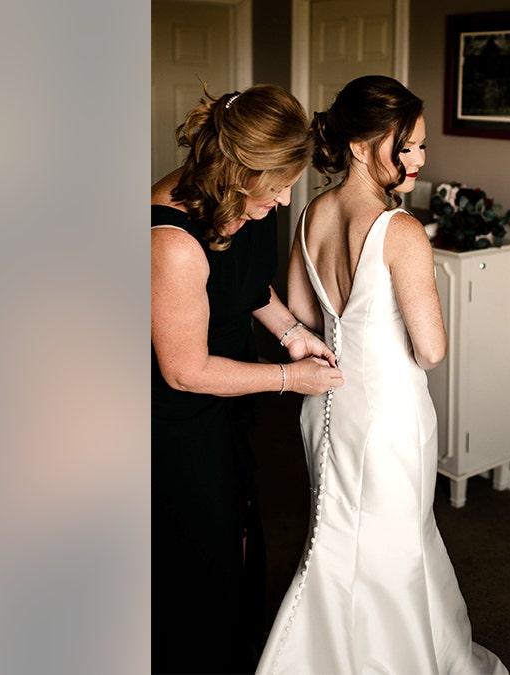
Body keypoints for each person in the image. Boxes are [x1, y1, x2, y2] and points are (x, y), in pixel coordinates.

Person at [256, 75, 508, 674]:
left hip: (327, 410)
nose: (419, 159)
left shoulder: (314, 212)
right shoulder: (401, 231)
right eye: (408, 145)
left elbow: (299, 310)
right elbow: (431, 351)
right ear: (365, 145)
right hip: (391, 418)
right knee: (395, 550)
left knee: (336, 545)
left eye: (422, 146)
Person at [151, 84, 345, 674]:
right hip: (173, 418)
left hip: (228, 390)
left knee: (237, 530)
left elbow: (248, 285)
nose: (286, 200)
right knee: (197, 558)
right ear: (237, 170)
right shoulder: (171, 241)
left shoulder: (245, 203)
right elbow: (185, 372)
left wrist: (291, 332)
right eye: (279, 185)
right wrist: (289, 378)